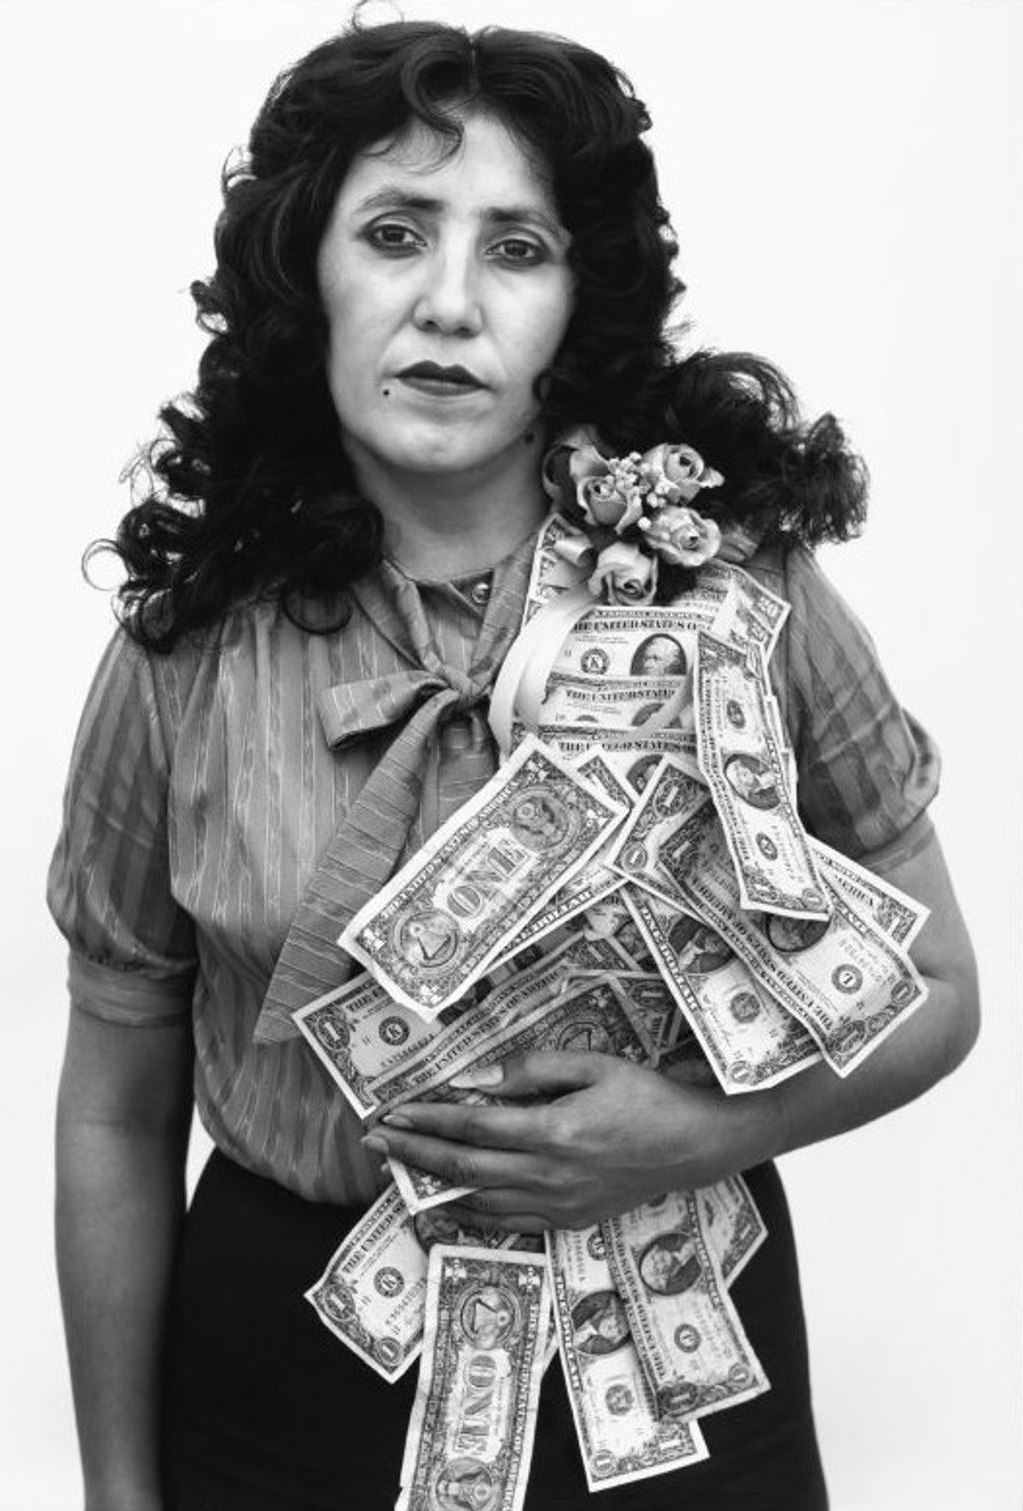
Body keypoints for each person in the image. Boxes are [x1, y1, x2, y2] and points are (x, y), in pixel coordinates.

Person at [48, 19, 979, 1511]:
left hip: (675, 1366)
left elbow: (937, 987)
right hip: (280, 1386)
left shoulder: (746, 599)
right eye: (395, 234)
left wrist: (696, 1135)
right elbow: (113, 1109)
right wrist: (116, 1491)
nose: (449, 302)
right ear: (307, 276)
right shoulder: (182, 658)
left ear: (577, 304)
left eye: (518, 249)